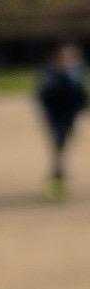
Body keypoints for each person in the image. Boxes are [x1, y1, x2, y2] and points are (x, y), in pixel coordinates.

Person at [36, 43, 88, 197]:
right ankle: (58, 173)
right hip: (55, 115)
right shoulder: (50, 73)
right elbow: (43, 95)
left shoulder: (76, 73)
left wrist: (82, 107)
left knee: (63, 142)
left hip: (69, 114)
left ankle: (58, 171)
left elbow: (81, 95)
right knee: (59, 142)